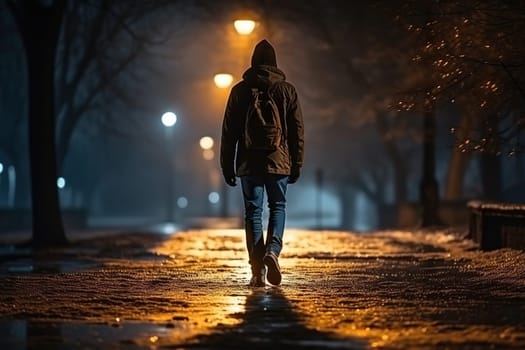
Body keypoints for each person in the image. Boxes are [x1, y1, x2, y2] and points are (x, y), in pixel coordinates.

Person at [220, 39, 304, 287]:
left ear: (253, 62)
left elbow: (229, 132)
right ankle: (272, 252)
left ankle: (257, 272)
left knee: (252, 213)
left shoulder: (239, 91)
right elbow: (297, 131)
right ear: (275, 63)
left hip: (248, 164)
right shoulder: (287, 90)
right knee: (278, 206)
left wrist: (227, 165)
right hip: (279, 161)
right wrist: (297, 164)